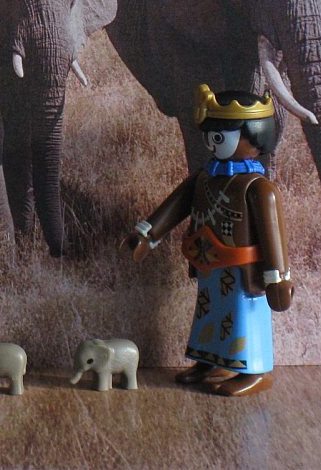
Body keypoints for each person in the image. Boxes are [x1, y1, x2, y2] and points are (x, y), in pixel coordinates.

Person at [122, 85, 294, 396]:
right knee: (208, 313)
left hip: (242, 272)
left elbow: (274, 238)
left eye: (220, 136)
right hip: (208, 266)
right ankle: (209, 361)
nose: (213, 142)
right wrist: (146, 234)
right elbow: (174, 207)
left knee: (242, 317)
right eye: (210, 135)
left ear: (255, 136)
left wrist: (278, 278)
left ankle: (254, 369)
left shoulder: (259, 188)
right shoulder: (204, 178)